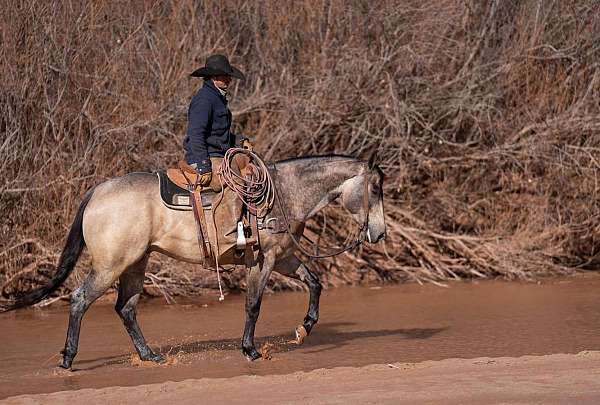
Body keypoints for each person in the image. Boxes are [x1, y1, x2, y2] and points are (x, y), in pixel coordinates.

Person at [184, 54, 252, 191]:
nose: (229, 79)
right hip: (204, 158)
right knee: (237, 184)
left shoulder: (217, 98)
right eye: (224, 75)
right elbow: (195, 134)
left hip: (218, 156)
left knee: (252, 171)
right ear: (214, 77)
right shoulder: (204, 100)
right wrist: (204, 164)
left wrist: (240, 141)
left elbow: (217, 134)